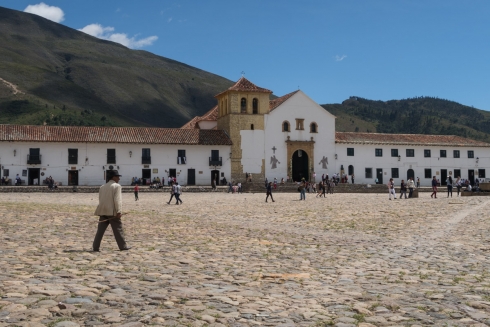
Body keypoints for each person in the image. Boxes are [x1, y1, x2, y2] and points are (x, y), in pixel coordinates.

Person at [92, 170, 130, 251]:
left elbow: (100, 199)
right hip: (112, 212)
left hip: (103, 211)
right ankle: (122, 246)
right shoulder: (116, 186)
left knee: (100, 231)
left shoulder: (102, 187)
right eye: (117, 177)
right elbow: (117, 200)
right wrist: (119, 211)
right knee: (118, 229)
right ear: (113, 177)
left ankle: (95, 246)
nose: (119, 178)